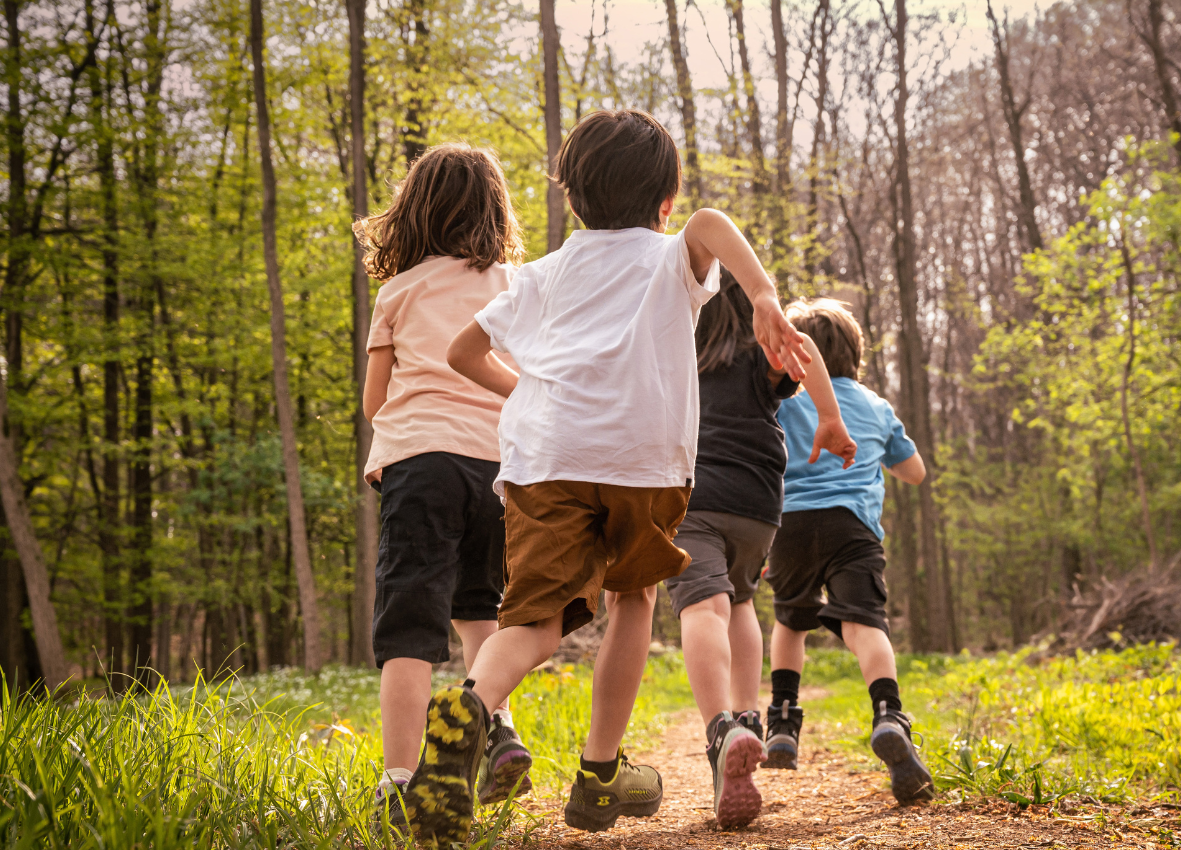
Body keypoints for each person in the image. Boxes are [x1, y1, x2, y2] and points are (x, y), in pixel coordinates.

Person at [424, 108, 852, 845]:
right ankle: (597, 773)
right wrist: (765, 296)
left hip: (544, 465)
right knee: (631, 600)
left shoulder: (541, 274)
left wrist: (527, 392)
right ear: (664, 200)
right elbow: (712, 222)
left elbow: (462, 354)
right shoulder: (669, 257)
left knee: (533, 619)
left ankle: (471, 707)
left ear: (572, 197)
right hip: (641, 467)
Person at [354, 143, 535, 835]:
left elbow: (375, 403)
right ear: (495, 210)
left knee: (409, 624)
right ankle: (499, 733)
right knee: (480, 608)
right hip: (500, 468)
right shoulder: (514, 285)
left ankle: (400, 782)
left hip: (420, 464)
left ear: (413, 212)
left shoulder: (397, 292)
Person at [665, 272, 853, 829]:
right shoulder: (762, 354)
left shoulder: (676, 351)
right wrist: (829, 415)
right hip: (757, 504)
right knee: (742, 601)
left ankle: (722, 727)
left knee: (705, 606)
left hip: (692, 496)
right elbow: (806, 348)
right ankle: (748, 713)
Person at [761, 298, 935, 806]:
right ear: (856, 354)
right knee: (865, 623)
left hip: (788, 523)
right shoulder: (874, 405)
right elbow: (915, 472)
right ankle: (888, 714)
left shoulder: (784, 398)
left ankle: (783, 723)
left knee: (791, 621)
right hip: (853, 526)